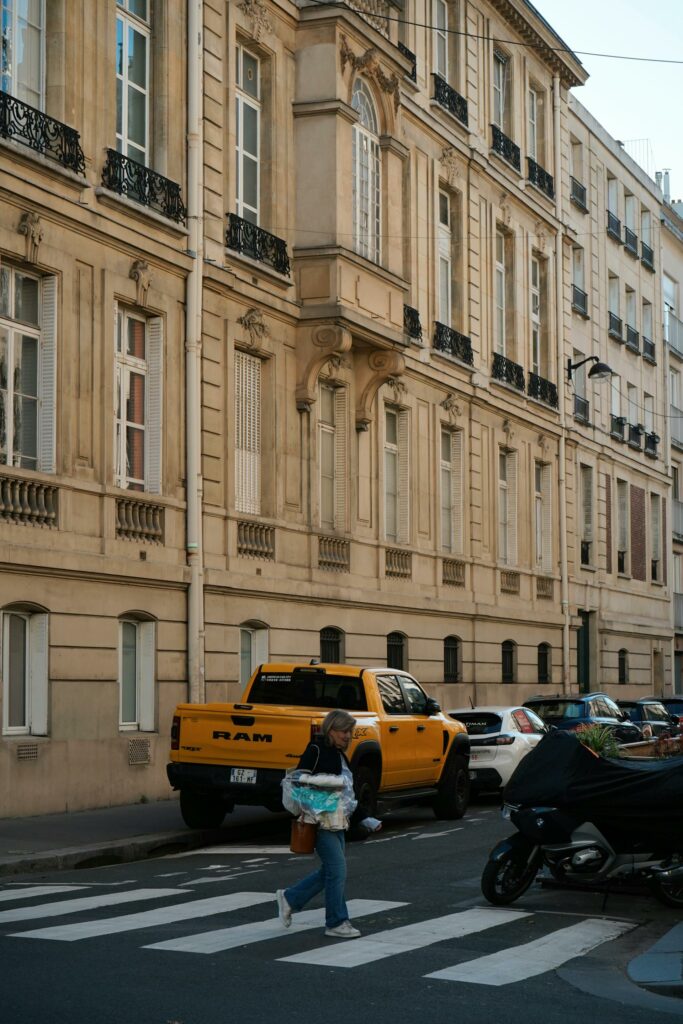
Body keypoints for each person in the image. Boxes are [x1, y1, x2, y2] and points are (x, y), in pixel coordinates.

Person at [276, 709, 380, 939]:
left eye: (349, 732)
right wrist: (320, 803)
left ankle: (290, 898)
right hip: (320, 822)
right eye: (343, 731)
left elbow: (346, 796)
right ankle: (336, 922)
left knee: (331, 872)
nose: (347, 736)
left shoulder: (340, 755)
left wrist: (365, 818)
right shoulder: (316, 750)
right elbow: (296, 782)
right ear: (330, 729)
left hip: (338, 822)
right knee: (337, 870)